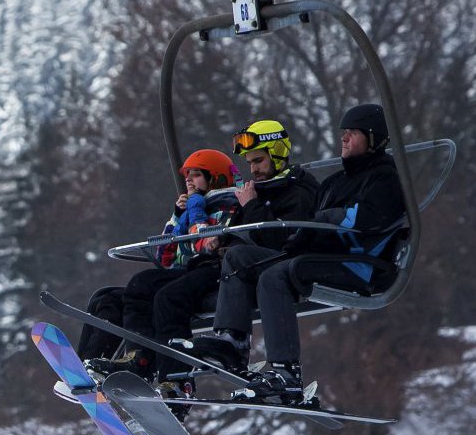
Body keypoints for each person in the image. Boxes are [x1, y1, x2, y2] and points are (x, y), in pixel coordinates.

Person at [87, 120, 318, 395]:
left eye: (258, 161)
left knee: (167, 297)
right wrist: (182, 217)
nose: (253, 169)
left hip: (231, 268)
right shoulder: (254, 194)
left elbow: (275, 238)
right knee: (121, 291)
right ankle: (119, 361)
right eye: (249, 163)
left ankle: (173, 375)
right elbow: (173, 252)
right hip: (221, 262)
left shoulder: (266, 194)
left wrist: (224, 227)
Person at [193, 104, 405, 403]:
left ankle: (286, 374)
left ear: (373, 138)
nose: (344, 139)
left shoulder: (386, 178)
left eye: (353, 133)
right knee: (240, 258)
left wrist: (327, 220)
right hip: (318, 255)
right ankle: (231, 343)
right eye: (343, 133)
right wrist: (298, 240)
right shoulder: (336, 182)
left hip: (357, 262)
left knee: (275, 275)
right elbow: (309, 227)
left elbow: (369, 220)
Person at [85, 149, 241, 383]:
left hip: (212, 269)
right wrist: (178, 215)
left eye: (196, 175)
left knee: (157, 292)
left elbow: (207, 244)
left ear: (216, 177)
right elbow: (164, 254)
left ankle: (158, 369)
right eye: (188, 175)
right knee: (109, 295)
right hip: (186, 269)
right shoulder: (189, 208)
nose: (189, 181)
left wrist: (196, 213)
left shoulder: (228, 202)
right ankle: (94, 362)